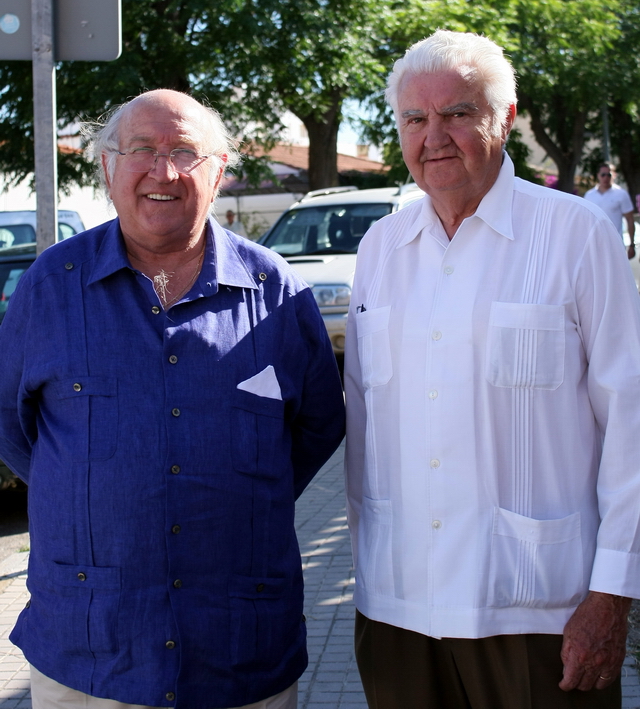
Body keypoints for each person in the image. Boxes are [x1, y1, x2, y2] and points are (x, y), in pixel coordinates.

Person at [0, 89, 345, 709]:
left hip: (241, 653)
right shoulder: (50, 287)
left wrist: (238, 494)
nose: (164, 172)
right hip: (90, 652)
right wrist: (85, 492)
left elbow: (318, 425)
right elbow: (10, 425)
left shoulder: (277, 292)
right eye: (141, 151)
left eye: (186, 152)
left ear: (219, 172)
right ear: (108, 168)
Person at [344, 30, 640, 709]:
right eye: (414, 119)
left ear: (504, 119)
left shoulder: (576, 233)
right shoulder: (381, 246)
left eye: (456, 113)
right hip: (398, 608)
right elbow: (363, 421)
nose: (434, 136)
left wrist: (612, 594)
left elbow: (631, 417)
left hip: (541, 610)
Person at [584, 164, 636, 258]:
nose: (606, 177)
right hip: (594, 245)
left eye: (609, 175)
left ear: (614, 175)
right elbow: (585, 220)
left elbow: (630, 219)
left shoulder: (621, 194)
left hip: (615, 245)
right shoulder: (589, 195)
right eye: (603, 174)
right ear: (598, 175)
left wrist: (632, 244)